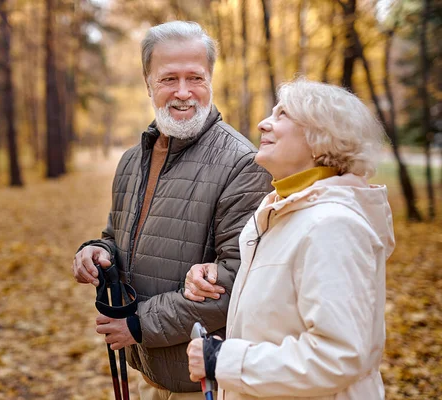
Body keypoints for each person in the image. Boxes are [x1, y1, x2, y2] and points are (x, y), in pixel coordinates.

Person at [72, 21, 272, 398]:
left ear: (211, 79)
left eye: (195, 77)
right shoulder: (133, 161)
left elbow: (237, 284)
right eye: (169, 79)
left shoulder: (243, 164)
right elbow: (116, 237)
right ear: (148, 83)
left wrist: (137, 324)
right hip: (150, 372)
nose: (183, 93)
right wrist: (97, 251)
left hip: (206, 382)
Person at [185, 78, 396, 400]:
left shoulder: (332, 226)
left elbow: (337, 357)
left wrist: (223, 360)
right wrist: (215, 272)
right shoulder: (284, 212)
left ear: (321, 136)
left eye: (282, 114)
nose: (262, 123)